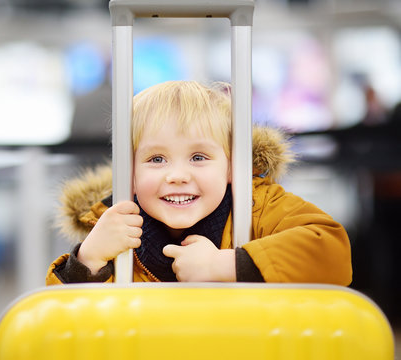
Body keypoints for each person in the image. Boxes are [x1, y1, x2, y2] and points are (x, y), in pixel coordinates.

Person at [46, 81, 352, 285]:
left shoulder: (257, 206)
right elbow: (66, 323)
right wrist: (88, 260)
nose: (177, 175)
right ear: (130, 173)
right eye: (156, 159)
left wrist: (225, 265)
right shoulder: (113, 226)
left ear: (232, 166)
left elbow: (332, 253)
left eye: (198, 157)